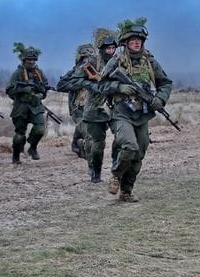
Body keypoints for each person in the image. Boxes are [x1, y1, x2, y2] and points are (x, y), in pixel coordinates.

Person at [99, 18, 172, 202]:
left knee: (139, 153)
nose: (136, 42)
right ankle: (116, 175)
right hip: (121, 113)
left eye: (138, 40)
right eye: (132, 40)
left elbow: (165, 83)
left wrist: (160, 99)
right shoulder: (116, 61)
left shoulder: (150, 62)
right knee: (130, 147)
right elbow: (101, 85)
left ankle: (126, 191)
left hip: (142, 114)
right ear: (126, 43)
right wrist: (119, 87)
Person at [82, 29, 118, 183]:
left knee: (122, 139)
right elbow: (72, 81)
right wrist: (93, 86)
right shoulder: (92, 62)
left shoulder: (120, 61)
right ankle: (95, 173)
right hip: (95, 108)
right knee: (98, 144)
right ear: (102, 49)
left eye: (113, 48)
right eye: (107, 48)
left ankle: (118, 172)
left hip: (116, 107)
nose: (110, 51)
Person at [5, 42, 49, 164]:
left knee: (40, 129)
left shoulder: (39, 73)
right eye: (28, 59)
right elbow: (9, 90)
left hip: (35, 105)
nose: (31, 62)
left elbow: (45, 89)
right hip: (21, 107)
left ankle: (32, 147)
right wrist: (23, 89)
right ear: (24, 60)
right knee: (19, 134)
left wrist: (39, 95)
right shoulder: (17, 73)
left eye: (33, 60)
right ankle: (16, 156)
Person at [56, 43, 97, 159]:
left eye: (89, 57)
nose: (87, 60)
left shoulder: (98, 71)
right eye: (84, 58)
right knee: (88, 132)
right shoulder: (74, 72)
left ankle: (77, 144)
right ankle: (87, 154)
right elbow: (60, 85)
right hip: (78, 109)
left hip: (94, 108)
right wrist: (81, 83)